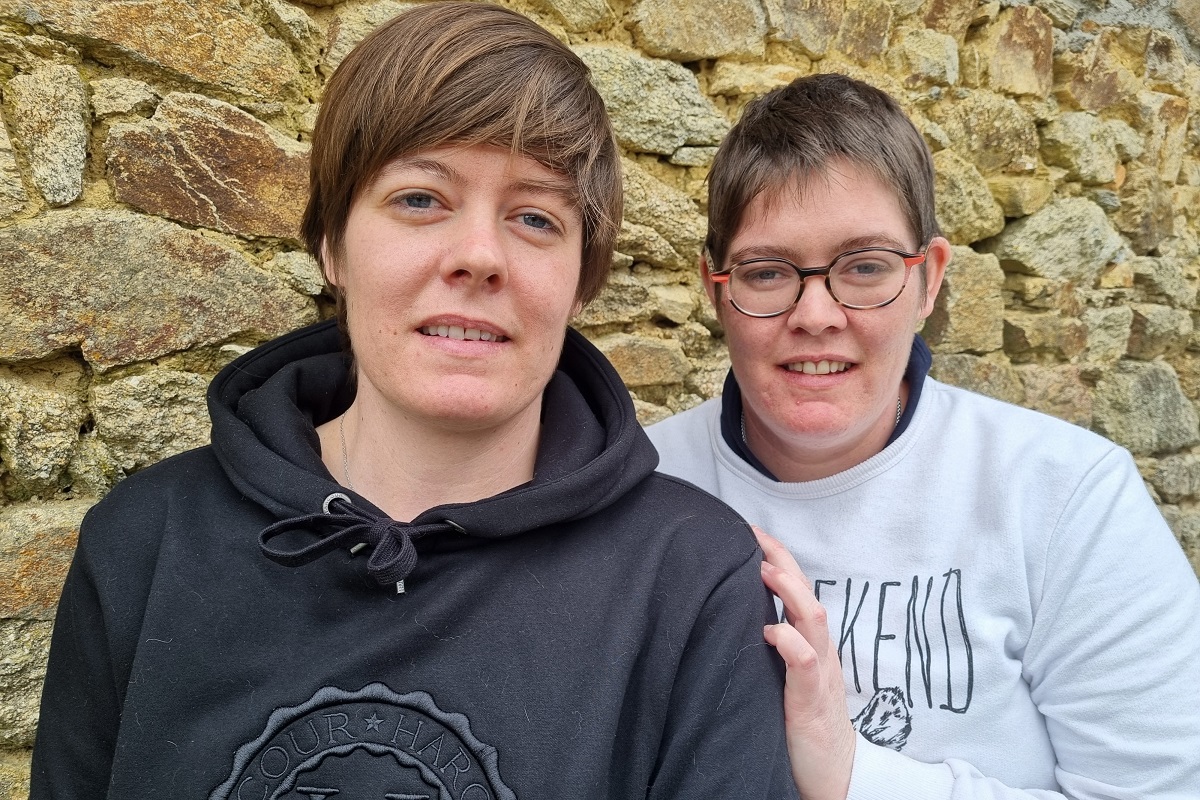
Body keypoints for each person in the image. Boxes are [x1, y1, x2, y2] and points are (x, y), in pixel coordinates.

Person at [30, 5, 795, 797]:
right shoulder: (146, 547)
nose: (478, 256)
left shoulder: (691, 579)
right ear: (332, 243)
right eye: (420, 199)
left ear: (581, 279)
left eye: (535, 217)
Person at [646, 73, 1200, 800]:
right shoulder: (641, 488)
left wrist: (852, 774)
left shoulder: (1068, 497)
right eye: (768, 271)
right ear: (716, 288)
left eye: (865, 266)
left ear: (929, 279)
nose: (816, 314)